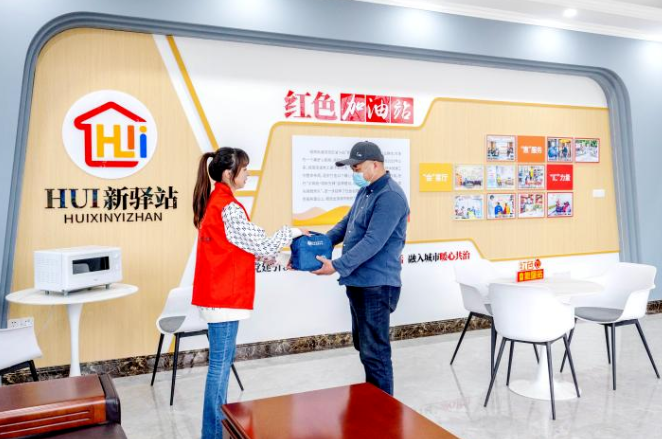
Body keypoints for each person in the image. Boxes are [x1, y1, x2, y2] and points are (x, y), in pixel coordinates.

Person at [191, 147, 305, 438]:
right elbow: (262, 244)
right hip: (223, 298)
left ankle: (214, 431)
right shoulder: (227, 206)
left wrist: (284, 259)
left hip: (217, 296)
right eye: (244, 169)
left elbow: (243, 249)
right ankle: (212, 434)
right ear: (228, 174)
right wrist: (292, 232)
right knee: (219, 367)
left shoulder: (215, 202)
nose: (248, 173)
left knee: (221, 364)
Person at [312, 140, 409, 395]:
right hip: (359, 282)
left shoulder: (390, 196)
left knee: (375, 353)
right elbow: (346, 225)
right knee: (364, 348)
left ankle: (384, 411)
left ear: (375, 165)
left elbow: (373, 242)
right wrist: (318, 245)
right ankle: (373, 401)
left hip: (376, 286)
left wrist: (336, 266)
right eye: (351, 167)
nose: (353, 171)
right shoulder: (366, 191)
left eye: (357, 167)